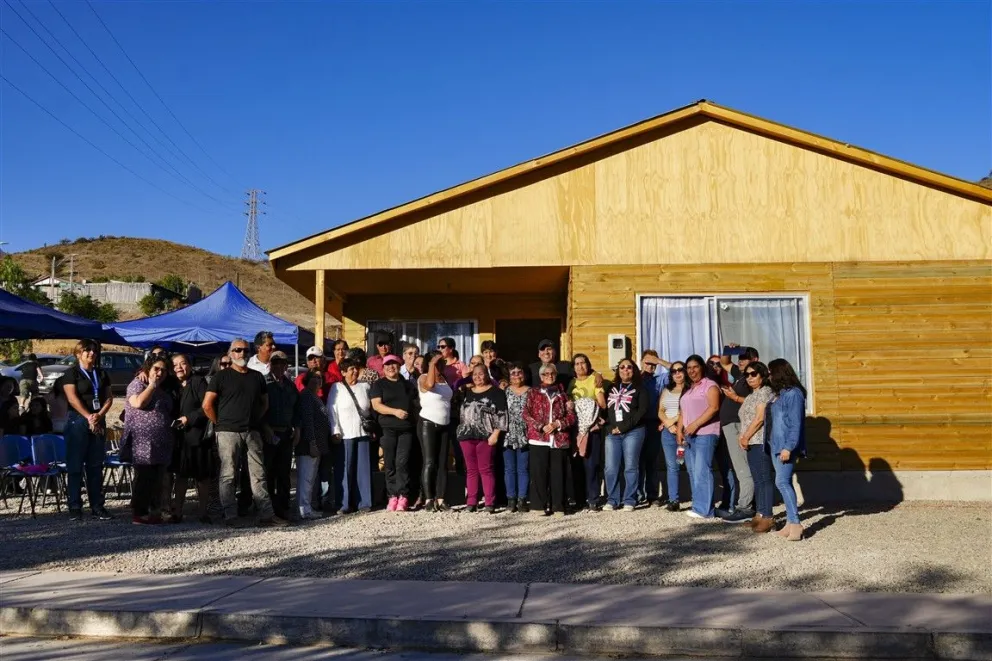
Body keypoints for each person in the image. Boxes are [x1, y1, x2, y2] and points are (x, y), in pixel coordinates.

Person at [203, 338, 288, 527]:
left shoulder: (257, 377)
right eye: (237, 350)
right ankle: (230, 516)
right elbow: (207, 405)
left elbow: (264, 403)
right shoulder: (221, 376)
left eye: (245, 350)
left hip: (252, 431)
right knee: (228, 474)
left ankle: (266, 514)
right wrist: (220, 423)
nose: (242, 353)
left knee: (258, 473)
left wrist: (254, 419)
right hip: (227, 432)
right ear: (230, 352)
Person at [62, 339, 114, 521]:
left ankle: (97, 506)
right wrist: (88, 416)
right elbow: (72, 398)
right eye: (87, 350)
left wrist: (98, 415)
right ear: (78, 354)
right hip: (78, 420)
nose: (92, 353)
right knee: (75, 465)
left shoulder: (102, 373)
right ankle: (75, 506)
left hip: (98, 420)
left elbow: (109, 398)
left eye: (94, 350)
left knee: (95, 465)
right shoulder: (71, 373)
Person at [125, 355, 175, 525]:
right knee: (144, 477)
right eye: (156, 369)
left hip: (161, 442)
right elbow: (138, 403)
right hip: (143, 442)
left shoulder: (164, 389)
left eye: (163, 370)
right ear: (148, 369)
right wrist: (152, 385)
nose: (159, 373)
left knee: (157, 479)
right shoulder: (138, 384)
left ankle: (154, 512)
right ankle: (140, 513)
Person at [171, 354, 220, 524]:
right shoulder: (172, 384)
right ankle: (177, 511)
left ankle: (202, 512)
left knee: (202, 477)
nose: (179, 367)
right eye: (175, 364)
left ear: (190, 366)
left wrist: (188, 418)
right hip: (179, 438)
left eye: (183, 363)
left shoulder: (198, 382)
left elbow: (206, 407)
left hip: (198, 436)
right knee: (181, 475)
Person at [524, 363, 576, 516]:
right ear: (541, 376)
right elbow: (526, 414)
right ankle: (538, 505)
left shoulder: (563, 394)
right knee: (539, 473)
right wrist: (541, 426)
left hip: (558, 439)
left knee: (558, 473)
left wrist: (558, 424)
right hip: (539, 438)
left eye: (552, 373)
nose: (549, 376)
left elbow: (571, 417)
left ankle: (558, 505)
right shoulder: (533, 393)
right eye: (546, 374)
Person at [456, 364, 508, 513]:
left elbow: (502, 414)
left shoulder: (496, 392)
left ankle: (489, 502)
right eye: (475, 374)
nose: (478, 377)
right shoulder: (466, 392)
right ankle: (471, 501)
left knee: (486, 469)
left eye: (481, 374)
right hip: (466, 434)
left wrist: (496, 434)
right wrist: (465, 379)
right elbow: (455, 389)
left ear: (487, 375)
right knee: (471, 470)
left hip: (486, 435)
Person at [716, 345, 760, 522]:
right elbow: (725, 363)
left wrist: (734, 398)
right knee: (740, 465)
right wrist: (728, 350)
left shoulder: (753, 378)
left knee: (742, 467)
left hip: (738, 425)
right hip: (731, 425)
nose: (740, 361)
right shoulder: (741, 375)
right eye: (739, 358)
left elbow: (755, 403)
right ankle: (749, 505)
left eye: (744, 358)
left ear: (755, 360)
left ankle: (745, 508)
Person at [370, 353, 417, 511]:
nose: (391, 367)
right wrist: (395, 411)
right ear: (383, 368)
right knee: (389, 463)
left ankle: (403, 495)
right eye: (387, 364)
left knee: (402, 463)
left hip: (406, 430)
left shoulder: (408, 385)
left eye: (394, 364)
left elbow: (415, 404)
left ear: (399, 366)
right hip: (387, 429)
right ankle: (392, 496)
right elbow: (376, 405)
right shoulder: (379, 384)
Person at [767, 358, 807, 541]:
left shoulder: (794, 394)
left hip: (785, 446)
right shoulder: (780, 394)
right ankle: (790, 523)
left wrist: (788, 447)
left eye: (771, 372)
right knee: (784, 482)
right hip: (775, 445)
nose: (768, 376)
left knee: (782, 482)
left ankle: (796, 524)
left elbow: (795, 423)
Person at [602, 358, 650, 512]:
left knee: (630, 467)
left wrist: (623, 428)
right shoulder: (611, 388)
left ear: (634, 370)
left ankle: (630, 499)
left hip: (633, 431)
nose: (625, 370)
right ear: (618, 370)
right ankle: (612, 499)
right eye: (622, 367)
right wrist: (610, 427)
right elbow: (605, 410)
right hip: (613, 432)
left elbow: (641, 411)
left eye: (629, 367)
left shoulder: (640, 389)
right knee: (610, 467)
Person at [327, 358, 373, 513]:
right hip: (345, 434)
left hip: (363, 433)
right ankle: (344, 503)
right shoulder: (336, 387)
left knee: (363, 470)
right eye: (351, 369)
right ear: (343, 372)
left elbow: (370, 409)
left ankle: (364, 502)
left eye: (356, 368)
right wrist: (335, 430)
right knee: (344, 469)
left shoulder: (365, 386)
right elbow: (331, 410)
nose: (355, 371)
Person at [679, 355, 722, 520]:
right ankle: (698, 505)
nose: (692, 371)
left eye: (695, 367)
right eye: (689, 368)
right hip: (689, 436)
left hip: (706, 433)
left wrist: (695, 424)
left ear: (702, 368)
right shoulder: (689, 388)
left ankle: (704, 510)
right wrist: (680, 431)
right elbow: (682, 412)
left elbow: (714, 407)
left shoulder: (710, 385)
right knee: (692, 471)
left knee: (702, 470)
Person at [737, 362, 775, 533]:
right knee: (758, 479)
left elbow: (760, 418)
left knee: (764, 478)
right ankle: (759, 514)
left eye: (753, 374)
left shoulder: (765, 392)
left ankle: (768, 517)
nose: (750, 377)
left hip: (759, 440)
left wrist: (746, 435)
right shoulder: (752, 395)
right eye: (747, 374)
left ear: (762, 375)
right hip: (750, 441)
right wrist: (742, 436)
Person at [263, 351, 301, 520]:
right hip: (268, 433)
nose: (279, 366)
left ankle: (284, 507)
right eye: (275, 362)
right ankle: (269, 508)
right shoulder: (263, 383)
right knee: (268, 472)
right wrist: (265, 428)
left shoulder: (290, 386)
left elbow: (297, 409)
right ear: (270, 364)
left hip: (285, 433)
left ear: (286, 366)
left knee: (284, 473)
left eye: (282, 363)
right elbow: (258, 408)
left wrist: (297, 429)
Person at [568, 353, 606, 511]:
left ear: (588, 364)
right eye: (576, 364)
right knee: (577, 465)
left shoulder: (594, 380)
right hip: (574, 428)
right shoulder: (571, 383)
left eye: (583, 363)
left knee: (591, 464)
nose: (580, 366)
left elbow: (602, 403)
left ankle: (593, 498)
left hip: (591, 428)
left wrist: (588, 405)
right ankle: (579, 499)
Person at [417, 351, 453, 512]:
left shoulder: (444, 379)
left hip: (445, 423)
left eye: (441, 363)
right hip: (428, 423)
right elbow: (430, 385)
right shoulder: (423, 377)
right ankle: (429, 498)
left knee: (443, 462)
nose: (440, 365)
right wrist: (432, 364)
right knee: (429, 462)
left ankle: (441, 498)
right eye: (437, 363)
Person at [296, 369, 331, 520]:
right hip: (308, 445)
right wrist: (312, 443)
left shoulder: (314, 396)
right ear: (307, 380)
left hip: (317, 443)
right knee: (306, 478)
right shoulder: (306, 396)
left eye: (319, 377)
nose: (317, 380)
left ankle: (307, 507)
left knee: (310, 478)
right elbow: (308, 421)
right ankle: (304, 509)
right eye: (314, 377)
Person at [637, 350, 670, 507]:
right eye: (647, 362)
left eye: (653, 364)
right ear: (641, 362)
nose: (650, 366)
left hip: (653, 423)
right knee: (636, 460)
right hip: (636, 424)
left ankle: (652, 495)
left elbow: (678, 370)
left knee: (651, 460)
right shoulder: (635, 378)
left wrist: (659, 361)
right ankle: (637, 495)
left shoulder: (660, 379)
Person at [658, 361, 687, 511]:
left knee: (686, 464)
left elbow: (686, 411)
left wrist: (673, 422)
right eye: (674, 371)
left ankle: (698, 498)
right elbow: (660, 410)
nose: (677, 373)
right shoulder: (666, 390)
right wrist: (668, 425)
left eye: (680, 370)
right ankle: (673, 500)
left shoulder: (690, 389)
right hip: (668, 433)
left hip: (685, 432)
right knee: (672, 466)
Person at [503, 362, 531, 513]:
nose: (516, 376)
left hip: (525, 433)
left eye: (519, 372)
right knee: (509, 469)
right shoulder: (505, 391)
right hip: (508, 433)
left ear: (524, 374)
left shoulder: (531, 391)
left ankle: (522, 499)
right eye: (513, 373)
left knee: (523, 468)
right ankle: (511, 499)